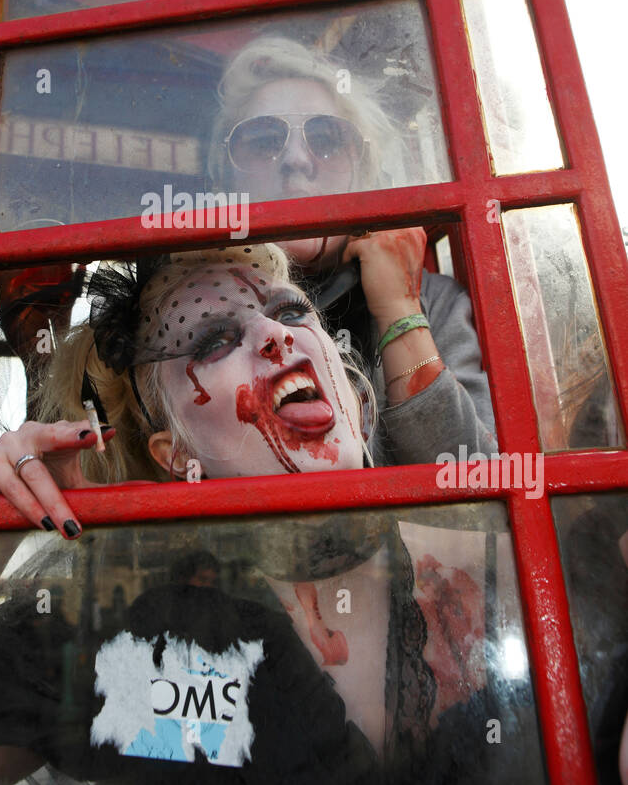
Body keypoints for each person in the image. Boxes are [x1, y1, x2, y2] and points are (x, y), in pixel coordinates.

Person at [0, 244, 546, 785]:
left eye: (292, 311)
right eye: (213, 341)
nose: (277, 336)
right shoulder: (159, 641)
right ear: (175, 454)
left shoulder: (493, 562)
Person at [206, 34, 497, 466]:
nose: (297, 161)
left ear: (362, 173)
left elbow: (476, 478)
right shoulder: (195, 312)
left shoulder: (431, 302)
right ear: (227, 180)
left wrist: (400, 310)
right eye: (265, 141)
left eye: (326, 139)